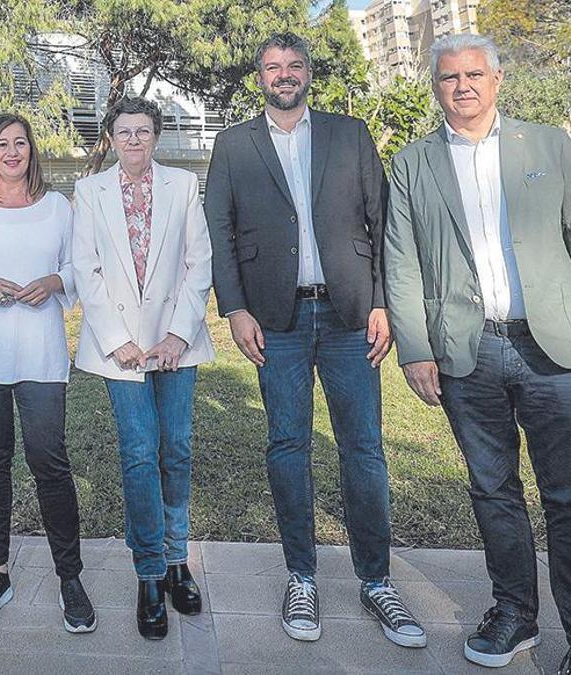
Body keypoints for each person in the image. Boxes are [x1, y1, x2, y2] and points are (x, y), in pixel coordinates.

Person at [204, 32, 426, 648]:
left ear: (308, 74)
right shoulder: (233, 144)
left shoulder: (349, 134)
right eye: (272, 66)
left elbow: (383, 222)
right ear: (259, 77)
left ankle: (376, 581)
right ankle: (301, 576)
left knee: (364, 448)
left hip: (350, 315)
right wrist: (237, 308)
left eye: (294, 65)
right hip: (275, 320)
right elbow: (219, 230)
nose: (284, 74)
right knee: (287, 444)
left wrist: (384, 301)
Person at [384, 33, 571, 671]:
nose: (462, 86)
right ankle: (516, 615)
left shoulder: (550, 145)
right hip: (469, 352)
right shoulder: (412, 164)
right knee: (493, 490)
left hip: (553, 349)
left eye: (473, 75)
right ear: (435, 88)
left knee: (567, 494)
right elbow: (401, 264)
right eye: (448, 78)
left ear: (496, 81)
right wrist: (415, 349)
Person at [71, 96, 214, 640]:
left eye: (144, 131)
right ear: (111, 138)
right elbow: (87, 268)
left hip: (177, 344)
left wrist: (178, 334)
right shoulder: (89, 191)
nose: (134, 140)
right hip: (122, 349)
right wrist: (118, 341)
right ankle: (150, 573)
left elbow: (197, 262)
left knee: (175, 448)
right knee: (138, 454)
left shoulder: (182, 186)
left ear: (156, 136)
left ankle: (179, 559)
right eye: (124, 132)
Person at [0, 113, 95, 632]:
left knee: (49, 460)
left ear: (32, 151)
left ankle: (69, 576)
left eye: (21, 144)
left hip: (40, 353)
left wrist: (55, 280)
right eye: (3, 145)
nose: (12, 152)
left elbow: (82, 266)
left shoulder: (58, 208)